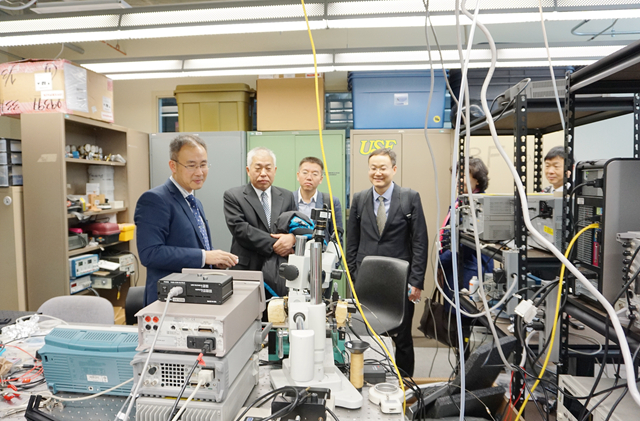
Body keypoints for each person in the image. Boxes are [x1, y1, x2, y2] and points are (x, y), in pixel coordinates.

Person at [346, 148, 428, 377]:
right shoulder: (360, 199)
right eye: (373, 168)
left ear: (394, 169)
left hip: (400, 280)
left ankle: (405, 384)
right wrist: (354, 275)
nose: (377, 173)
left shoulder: (409, 197)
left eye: (383, 168)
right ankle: (369, 379)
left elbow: (420, 242)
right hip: (366, 279)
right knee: (367, 334)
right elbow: (352, 241)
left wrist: (416, 281)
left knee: (402, 337)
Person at [135, 134, 238, 305]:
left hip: (195, 297)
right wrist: (205, 256)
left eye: (203, 165)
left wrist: (215, 261)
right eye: (191, 165)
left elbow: (193, 246)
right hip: (168, 301)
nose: (199, 172)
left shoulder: (194, 201)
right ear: (173, 166)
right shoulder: (155, 199)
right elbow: (150, 253)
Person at [223, 147, 297, 279]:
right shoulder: (234, 196)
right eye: (258, 168)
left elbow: (295, 225)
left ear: (274, 170)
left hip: (280, 270)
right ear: (248, 170)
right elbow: (241, 229)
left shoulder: (287, 196)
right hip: (247, 269)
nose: (263, 173)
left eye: (268, 168)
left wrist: (292, 239)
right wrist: (277, 244)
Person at [439, 157, 494, 303]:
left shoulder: (479, 204)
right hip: (455, 269)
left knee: (467, 312)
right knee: (452, 312)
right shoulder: (460, 201)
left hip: (471, 272)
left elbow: (467, 244)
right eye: (456, 175)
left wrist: (442, 261)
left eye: (463, 176)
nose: (458, 180)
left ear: (478, 180)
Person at [294, 156, 343, 243]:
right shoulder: (288, 199)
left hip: (321, 250)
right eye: (305, 172)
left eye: (315, 174)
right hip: (294, 249)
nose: (309, 177)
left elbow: (337, 237)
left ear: (321, 179)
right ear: (298, 176)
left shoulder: (331, 201)